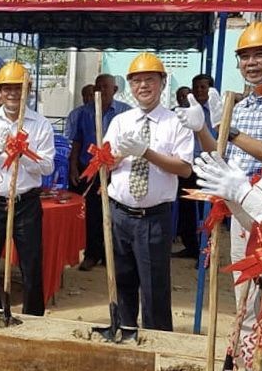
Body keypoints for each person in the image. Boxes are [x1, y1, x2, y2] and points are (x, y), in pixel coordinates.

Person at [174, 21, 262, 340]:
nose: (251, 63)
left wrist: (229, 131)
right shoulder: (239, 106)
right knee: (245, 303)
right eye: (245, 57)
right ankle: (247, 368)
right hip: (241, 214)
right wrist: (204, 130)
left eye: (259, 55)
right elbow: (219, 154)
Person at [104, 53, 193, 332]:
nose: (143, 86)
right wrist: (117, 155)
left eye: (149, 80)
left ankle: (158, 342)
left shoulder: (177, 122)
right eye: (136, 81)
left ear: (162, 83)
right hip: (120, 214)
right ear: (130, 86)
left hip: (153, 218)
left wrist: (146, 152)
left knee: (154, 288)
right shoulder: (120, 122)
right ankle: (125, 334)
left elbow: (185, 169)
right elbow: (103, 163)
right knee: (122, 281)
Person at [0, 60, 55, 315]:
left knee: (31, 265)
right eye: (7, 88)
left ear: (28, 89)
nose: (13, 93)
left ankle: (33, 317)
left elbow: (48, 166)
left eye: (19, 88)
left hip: (26, 203)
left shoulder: (40, 124)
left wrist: (22, 154)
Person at [69, 74, 131, 270]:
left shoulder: (125, 112)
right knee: (92, 214)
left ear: (115, 90)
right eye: (99, 86)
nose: (102, 90)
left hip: (116, 170)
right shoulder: (82, 113)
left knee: (115, 214)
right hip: (89, 170)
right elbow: (76, 142)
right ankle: (92, 254)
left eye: (106, 87)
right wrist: (73, 166)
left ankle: (112, 255)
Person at [174, 74, 215, 259]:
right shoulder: (184, 111)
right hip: (188, 166)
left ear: (210, 89)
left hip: (208, 166)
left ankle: (206, 253)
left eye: (203, 87)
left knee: (208, 211)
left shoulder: (215, 111)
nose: (199, 90)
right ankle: (191, 247)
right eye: (196, 87)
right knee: (187, 208)